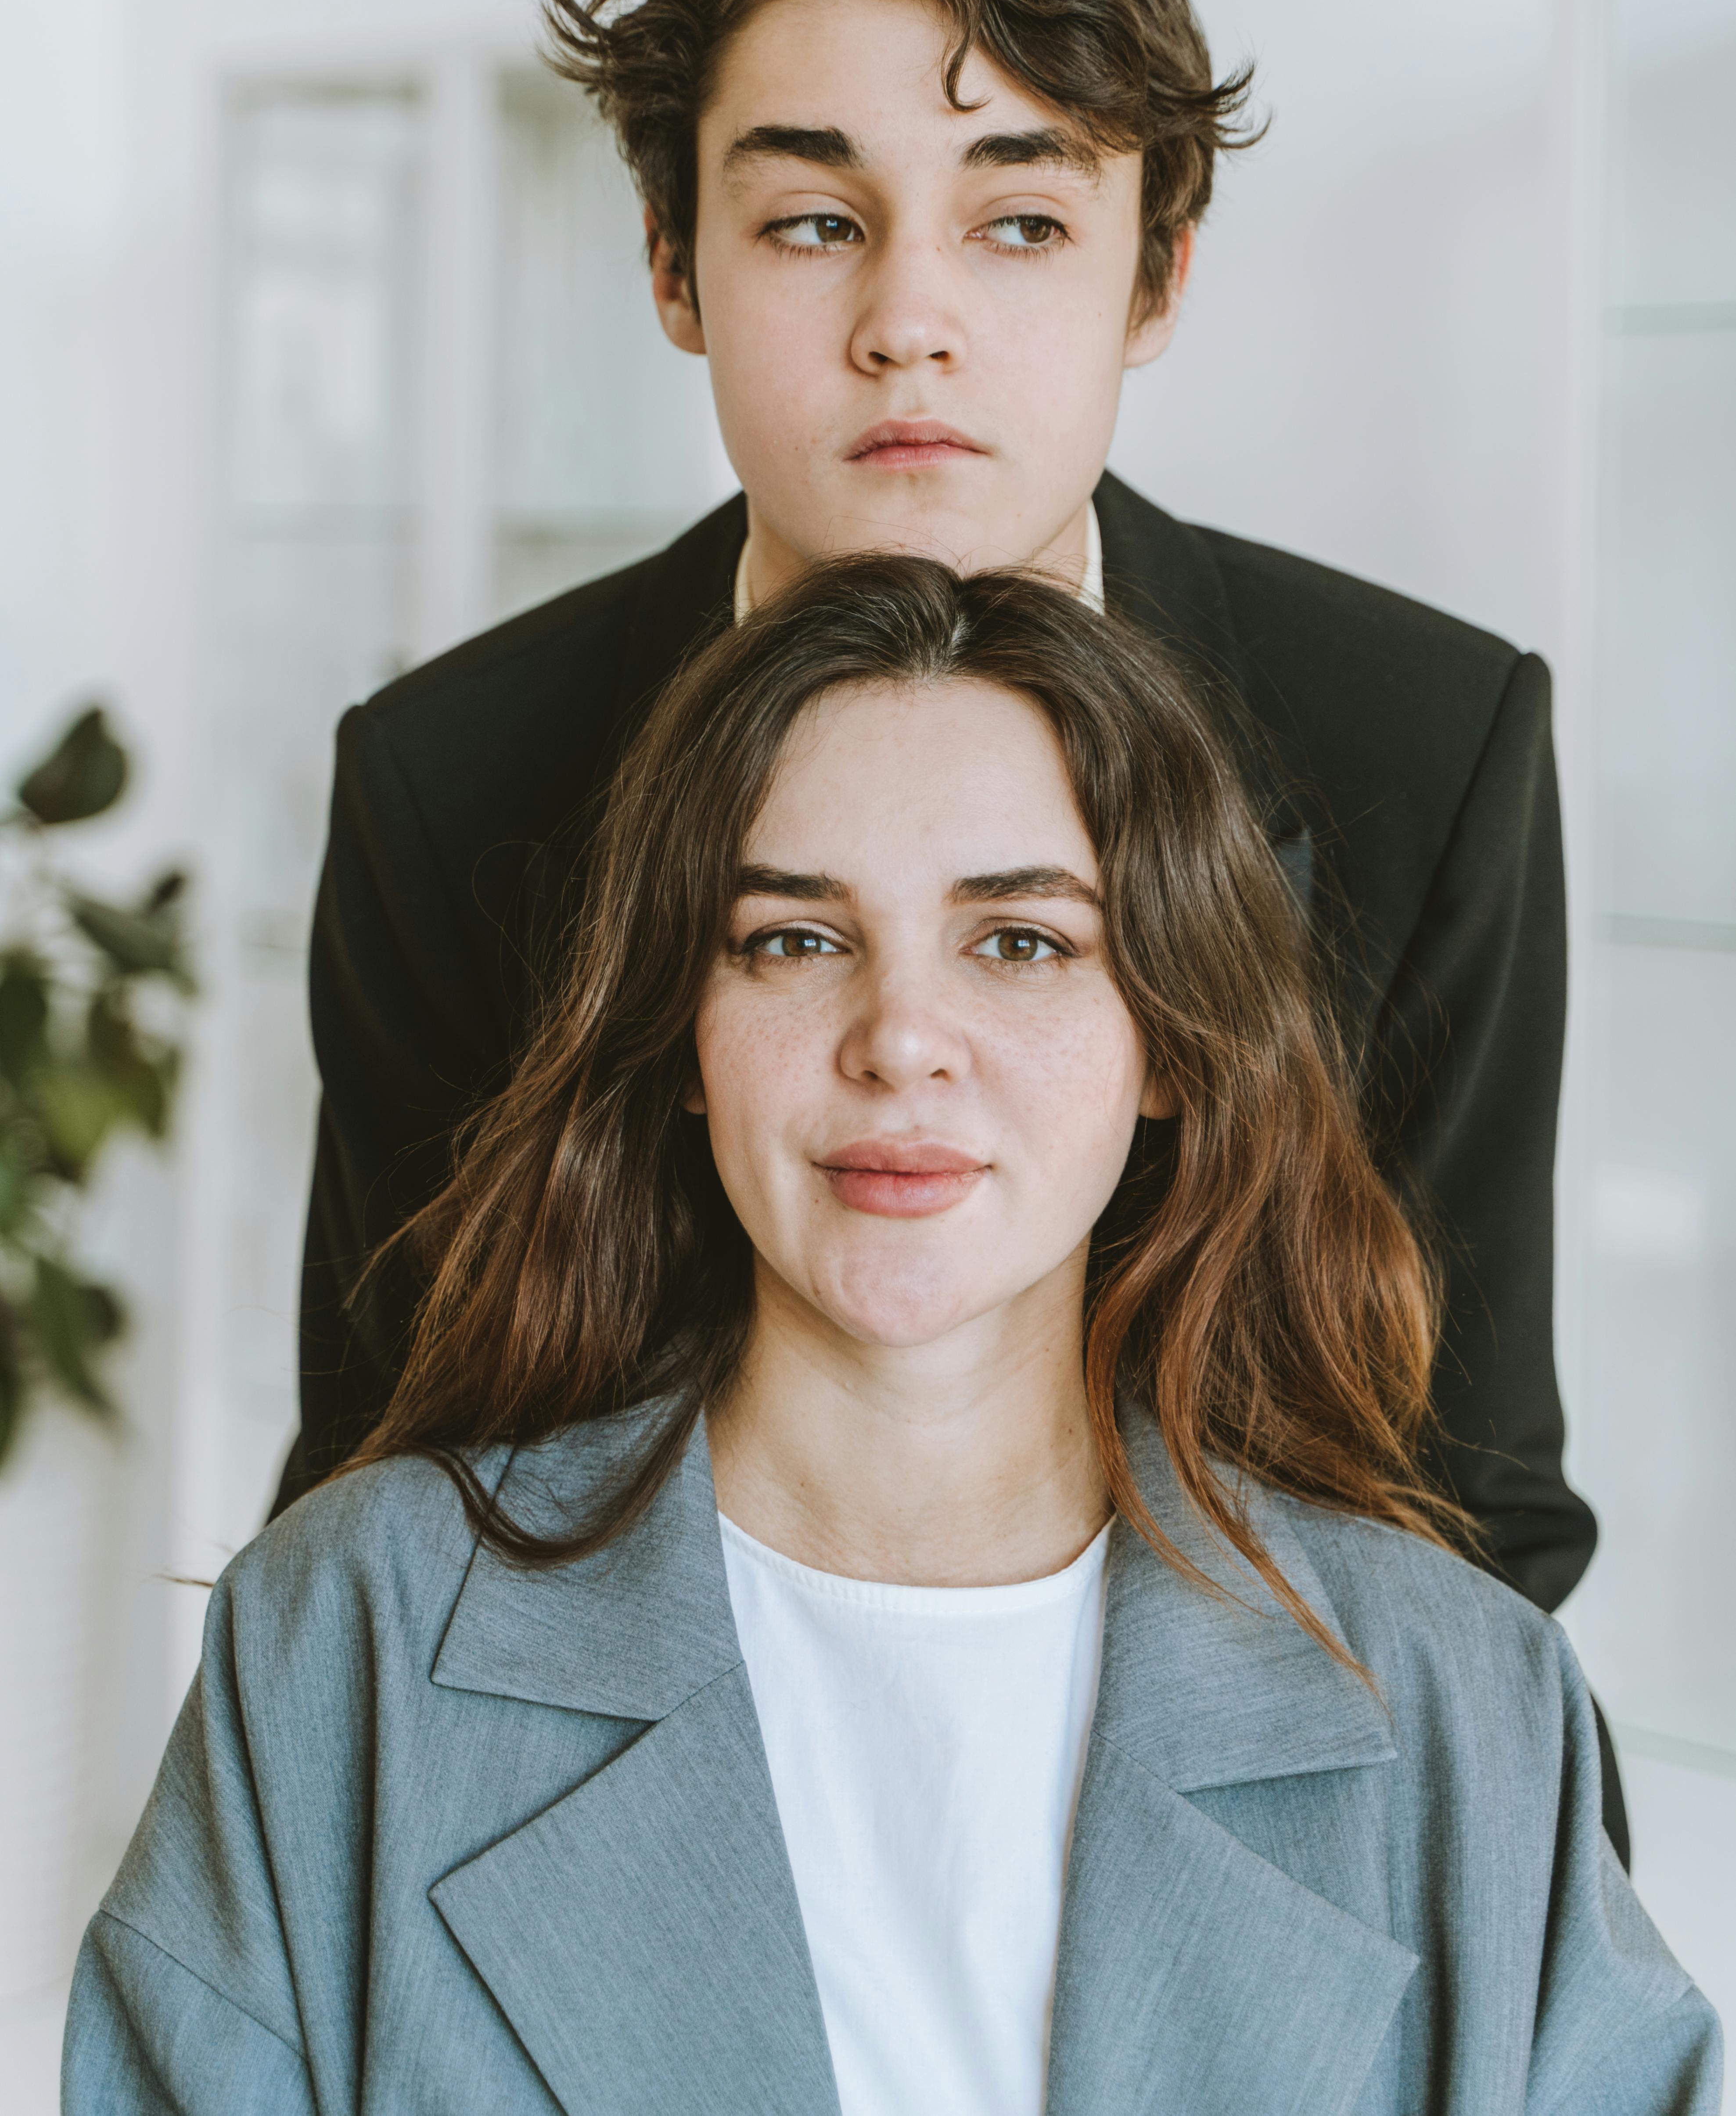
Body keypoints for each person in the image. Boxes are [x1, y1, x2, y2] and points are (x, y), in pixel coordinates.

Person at [279, 0, 1620, 1839]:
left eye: (1018, 219)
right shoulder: (447, 779)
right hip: (608, 1823)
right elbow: (387, 1454)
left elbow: (1465, 1493)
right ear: (672, 264)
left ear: (1153, 272)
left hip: (1234, 1812)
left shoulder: (1416, 741)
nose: (909, 319)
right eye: (813, 221)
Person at [68, 563, 1716, 2115]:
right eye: (793, 937)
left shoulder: (1461, 1703)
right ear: (685, 1036)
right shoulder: (345, 1639)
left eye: (1020, 941)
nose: (900, 1037)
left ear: (1167, 1040)